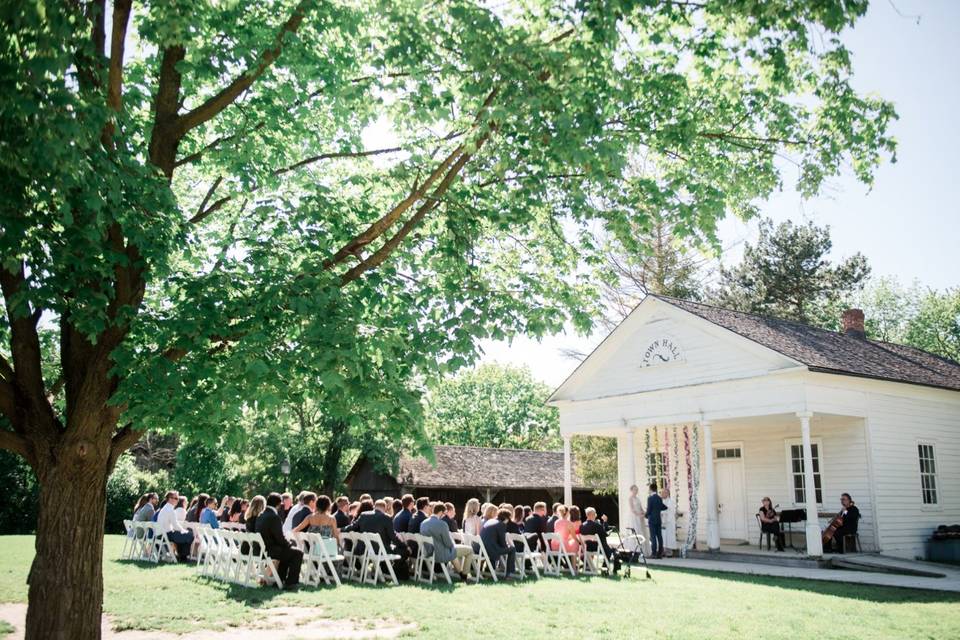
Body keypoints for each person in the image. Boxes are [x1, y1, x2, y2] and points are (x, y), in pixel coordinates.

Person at [346, 499, 409, 579]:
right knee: (404, 551)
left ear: (374, 507)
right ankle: (394, 573)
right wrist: (404, 546)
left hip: (363, 550)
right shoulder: (386, 517)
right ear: (385, 508)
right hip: (380, 551)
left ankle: (384, 571)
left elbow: (352, 527)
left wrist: (341, 529)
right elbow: (393, 538)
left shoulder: (364, 515)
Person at [255, 492, 302, 590]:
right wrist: (289, 544)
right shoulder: (274, 517)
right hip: (271, 550)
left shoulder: (261, 514)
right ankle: (291, 582)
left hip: (261, 549)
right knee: (298, 553)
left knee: (288, 551)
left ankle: (280, 579)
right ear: (278, 504)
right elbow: (279, 538)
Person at [421, 502, 474, 578]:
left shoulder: (423, 523)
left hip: (429, 552)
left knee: (453, 550)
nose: (444, 516)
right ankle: (465, 575)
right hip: (441, 554)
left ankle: (461, 573)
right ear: (440, 512)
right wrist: (453, 544)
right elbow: (448, 544)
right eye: (444, 513)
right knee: (470, 550)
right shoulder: (442, 524)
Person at [479, 508, 516, 579]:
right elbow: (502, 542)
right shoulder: (501, 524)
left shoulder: (490, 521)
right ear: (506, 518)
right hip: (490, 550)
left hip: (482, 549)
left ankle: (489, 571)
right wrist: (507, 546)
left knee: (495, 546)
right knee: (512, 549)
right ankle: (509, 574)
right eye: (509, 519)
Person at [157, 491, 194, 562]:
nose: (178, 500)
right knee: (189, 535)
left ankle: (181, 556)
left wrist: (182, 531)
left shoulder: (165, 508)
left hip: (161, 534)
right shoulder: (170, 509)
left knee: (183, 535)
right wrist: (183, 530)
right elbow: (176, 525)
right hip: (166, 534)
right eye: (176, 498)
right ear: (170, 499)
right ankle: (183, 557)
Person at [646, 483, 667, 558]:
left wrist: (645, 515)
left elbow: (649, 510)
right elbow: (664, 507)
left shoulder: (650, 498)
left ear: (651, 489)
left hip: (652, 519)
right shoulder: (659, 498)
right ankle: (660, 553)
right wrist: (658, 509)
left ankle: (654, 553)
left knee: (653, 536)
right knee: (659, 536)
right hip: (658, 519)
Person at [661, 487, 679, 557]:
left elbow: (669, 510)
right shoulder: (661, 501)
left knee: (669, 536)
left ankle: (669, 552)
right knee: (663, 536)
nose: (662, 494)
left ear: (667, 493)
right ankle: (663, 550)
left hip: (669, 521)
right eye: (661, 492)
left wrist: (661, 512)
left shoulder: (671, 501)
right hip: (663, 521)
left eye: (663, 492)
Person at [628, 484, 646, 552]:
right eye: (635, 489)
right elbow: (632, 509)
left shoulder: (638, 498)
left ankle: (641, 548)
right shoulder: (630, 498)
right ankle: (635, 548)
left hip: (640, 517)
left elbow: (641, 508)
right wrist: (638, 515)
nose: (636, 491)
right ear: (631, 490)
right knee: (636, 531)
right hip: (634, 517)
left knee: (641, 531)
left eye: (637, 489)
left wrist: (644, 513)